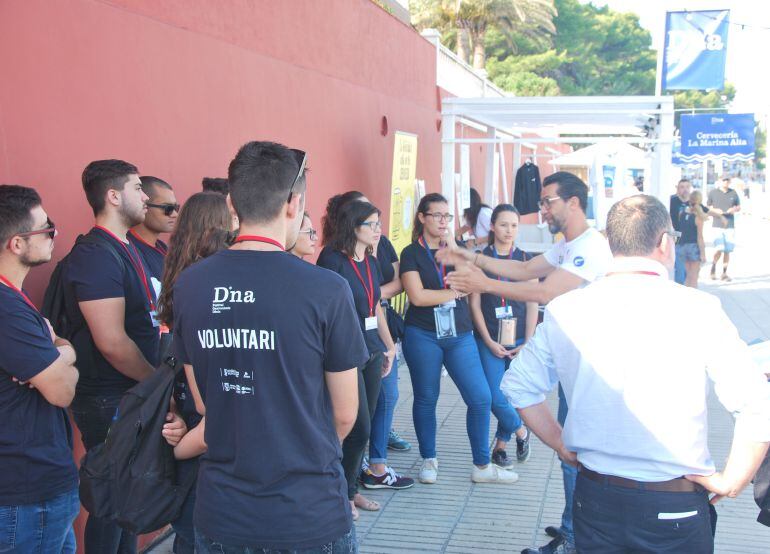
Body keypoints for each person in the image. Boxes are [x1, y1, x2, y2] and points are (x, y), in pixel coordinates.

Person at [501, 195, 770, 553]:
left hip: (595, 496)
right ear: (664, 242)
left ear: (611, 243)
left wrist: (561, 442)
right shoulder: (698, 308)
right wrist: (733, 479)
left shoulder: (567, 308)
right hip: (674, 503)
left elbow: (519, 386)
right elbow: (757, 405)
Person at [173, 141, 366, 553]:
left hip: (221, 512)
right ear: (294, 205)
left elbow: (206, 402)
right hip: (306, 513)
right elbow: (346, 415)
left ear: (231, 204)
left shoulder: (189, 285)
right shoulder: (327, 290)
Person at [438, 171, 613, 554]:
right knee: (572, 449)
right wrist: (471, 256)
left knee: (577, 450)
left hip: (593, 368)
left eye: (548, 201)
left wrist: (482, 284)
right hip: (575, 364)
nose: (543, 209)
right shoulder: (568, 245)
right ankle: (573, 527)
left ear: (573, 202)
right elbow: (524, 269)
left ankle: (576, 537)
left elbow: (545, 290)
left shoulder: (591, 245)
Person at [63, 160, 186, 553]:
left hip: (130, 391)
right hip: (107, 396)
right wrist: (156, 384)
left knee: (130, 494)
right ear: (113, 197)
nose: (146, 197)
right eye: (137, 188)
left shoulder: (127, 247)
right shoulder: (96, 255)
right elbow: (112, 342)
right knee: (112, 497)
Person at [400, 192, 518, 485]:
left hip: (459, 333)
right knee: (427, 398)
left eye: (447, 216)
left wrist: (454, 248)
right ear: (422, 218)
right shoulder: (411, 253)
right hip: (423, 334)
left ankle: (482, 465)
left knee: (480, 397)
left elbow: (472, 277)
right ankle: (429, 458)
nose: (443, 221)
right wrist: (454, 293)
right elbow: (417, 296)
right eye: (437, 215)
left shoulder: (457, 248)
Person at [0, 185, 80, 553]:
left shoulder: (13, 301)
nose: (53, 235)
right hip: (27, 490)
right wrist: (61, 354)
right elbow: (62, 391)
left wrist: (56, 353)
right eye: (46, 228)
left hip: (32, 487)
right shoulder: (7, 311)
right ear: (17, 244)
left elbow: (59, 365)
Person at [157, 191, 232, 554]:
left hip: (188, 403)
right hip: (208, 412)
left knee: (190, 524)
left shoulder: (178, 276)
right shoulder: (214, 285)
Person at [318, 200, 404, 516]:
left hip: (371, 350)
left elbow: (376, 305)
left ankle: (350, 491)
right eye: (372, 223)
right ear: (354, 226)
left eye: (379, 222)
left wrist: (388, 345)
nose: (378, 229)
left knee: (361, 428)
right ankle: (335, 493)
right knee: (356, 426)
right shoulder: (332, 260)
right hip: (345, 353)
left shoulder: (368, 260)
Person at [468, 204, 536, 468]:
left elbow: (532, 303)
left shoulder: (526, 260)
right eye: (504, 224)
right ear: (493, 226)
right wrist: (488, 341)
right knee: (494, 396)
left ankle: (500, 447)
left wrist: (528, 341)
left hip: (519, 338)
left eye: (515, 225)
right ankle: (521, 431)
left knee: (513, 395)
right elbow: (474, 305)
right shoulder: (481, 260)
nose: (509, 231)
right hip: (490, 340)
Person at [128, 176, 178, 285]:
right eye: (167, 208)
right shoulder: (127, 250)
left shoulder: (163, 248)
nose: (175, 214)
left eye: (176, 208)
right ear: (143, 205)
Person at [708, 177, 741, 281]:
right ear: (720, 181)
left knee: (727, 250)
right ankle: (713, 268)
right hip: (717, 224)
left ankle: (724, 272)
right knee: (719, 248)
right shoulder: (713, 192)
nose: (726, 182)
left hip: (730, 224)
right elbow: (707, 207)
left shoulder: (733, 193)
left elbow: (738, 206)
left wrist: (734, 209)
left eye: (727, 180)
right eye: (724, 180)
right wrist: (715, 210)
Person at [678, 190, 708, 288]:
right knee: (694, 277)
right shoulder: (698, 217)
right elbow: (700, 237)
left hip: (682, 246)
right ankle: (694, 299)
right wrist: (703, 253)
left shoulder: (681, 214)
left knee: (687, 276)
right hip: (693, 247)